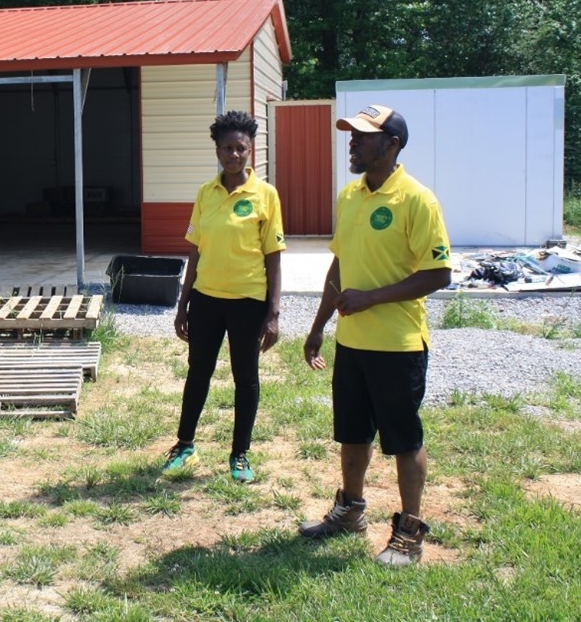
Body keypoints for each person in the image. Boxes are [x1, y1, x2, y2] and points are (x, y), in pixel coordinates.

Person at [300, 104, 451, 566]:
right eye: (352, 135)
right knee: (352, 434)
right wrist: (318, 325)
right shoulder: (349, 196)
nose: (353, 142)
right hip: (352, 344)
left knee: (404, 440)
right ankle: (350, 510)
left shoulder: (417, 200)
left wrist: (373, 298)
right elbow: (339, 265)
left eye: (363, 136)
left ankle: (409, 532)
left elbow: (439, 273)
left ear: (392, 145)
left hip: (398, 346)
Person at [164, 111, 285, 483]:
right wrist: (183, 304)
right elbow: (196, 251)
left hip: (249, 302)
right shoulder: (206, 193)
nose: (233, 154)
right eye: (227, 148)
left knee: (245, 379)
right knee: (198, 372)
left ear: (251, 150)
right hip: (206, 302)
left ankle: (240, 455)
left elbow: (273, 256)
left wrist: (274, 313)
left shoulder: (266, 196)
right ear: (217, 150)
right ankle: (185, 445)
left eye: (240, 148)